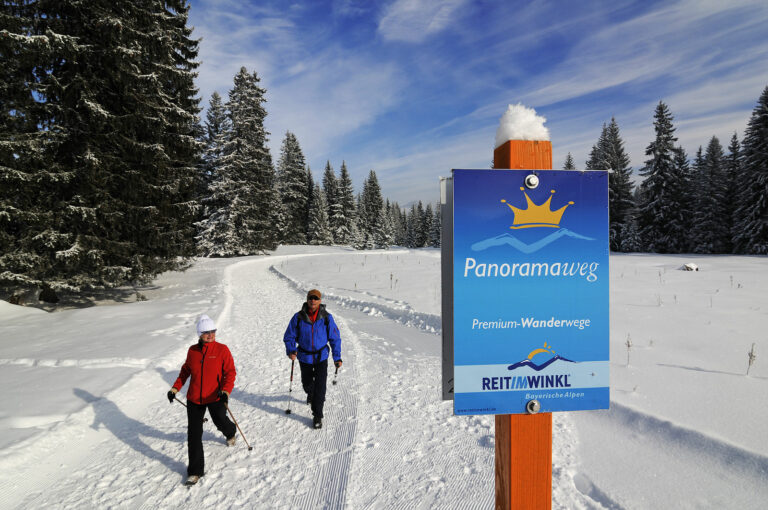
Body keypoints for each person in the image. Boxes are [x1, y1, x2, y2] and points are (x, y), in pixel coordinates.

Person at [167, 314, 237, 485]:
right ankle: (195, 471)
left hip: (215, 396)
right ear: (199, 334)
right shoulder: (192, 351)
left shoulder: (222, 349)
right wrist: (175, 388)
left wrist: (225, 391)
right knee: (194, 434)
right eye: (206, 332)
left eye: (212, 331)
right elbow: (185, 371)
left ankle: (230, 432)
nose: (210, 334)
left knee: (220, 420)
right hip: (194, 399)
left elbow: (230, 373)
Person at [283, 289, 342, 429]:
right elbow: (289, 336)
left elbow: (335, 338)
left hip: (321, 356)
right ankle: (311, 393)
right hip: (304, 357)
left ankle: (317, 415)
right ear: (307, 299)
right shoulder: (298, 317)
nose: (313, 301)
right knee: (307, 384)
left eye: (316, 298)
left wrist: (337, 357)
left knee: (320, 387)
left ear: (320, 301)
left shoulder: (327, 318)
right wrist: (291, 350)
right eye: (311, 298)